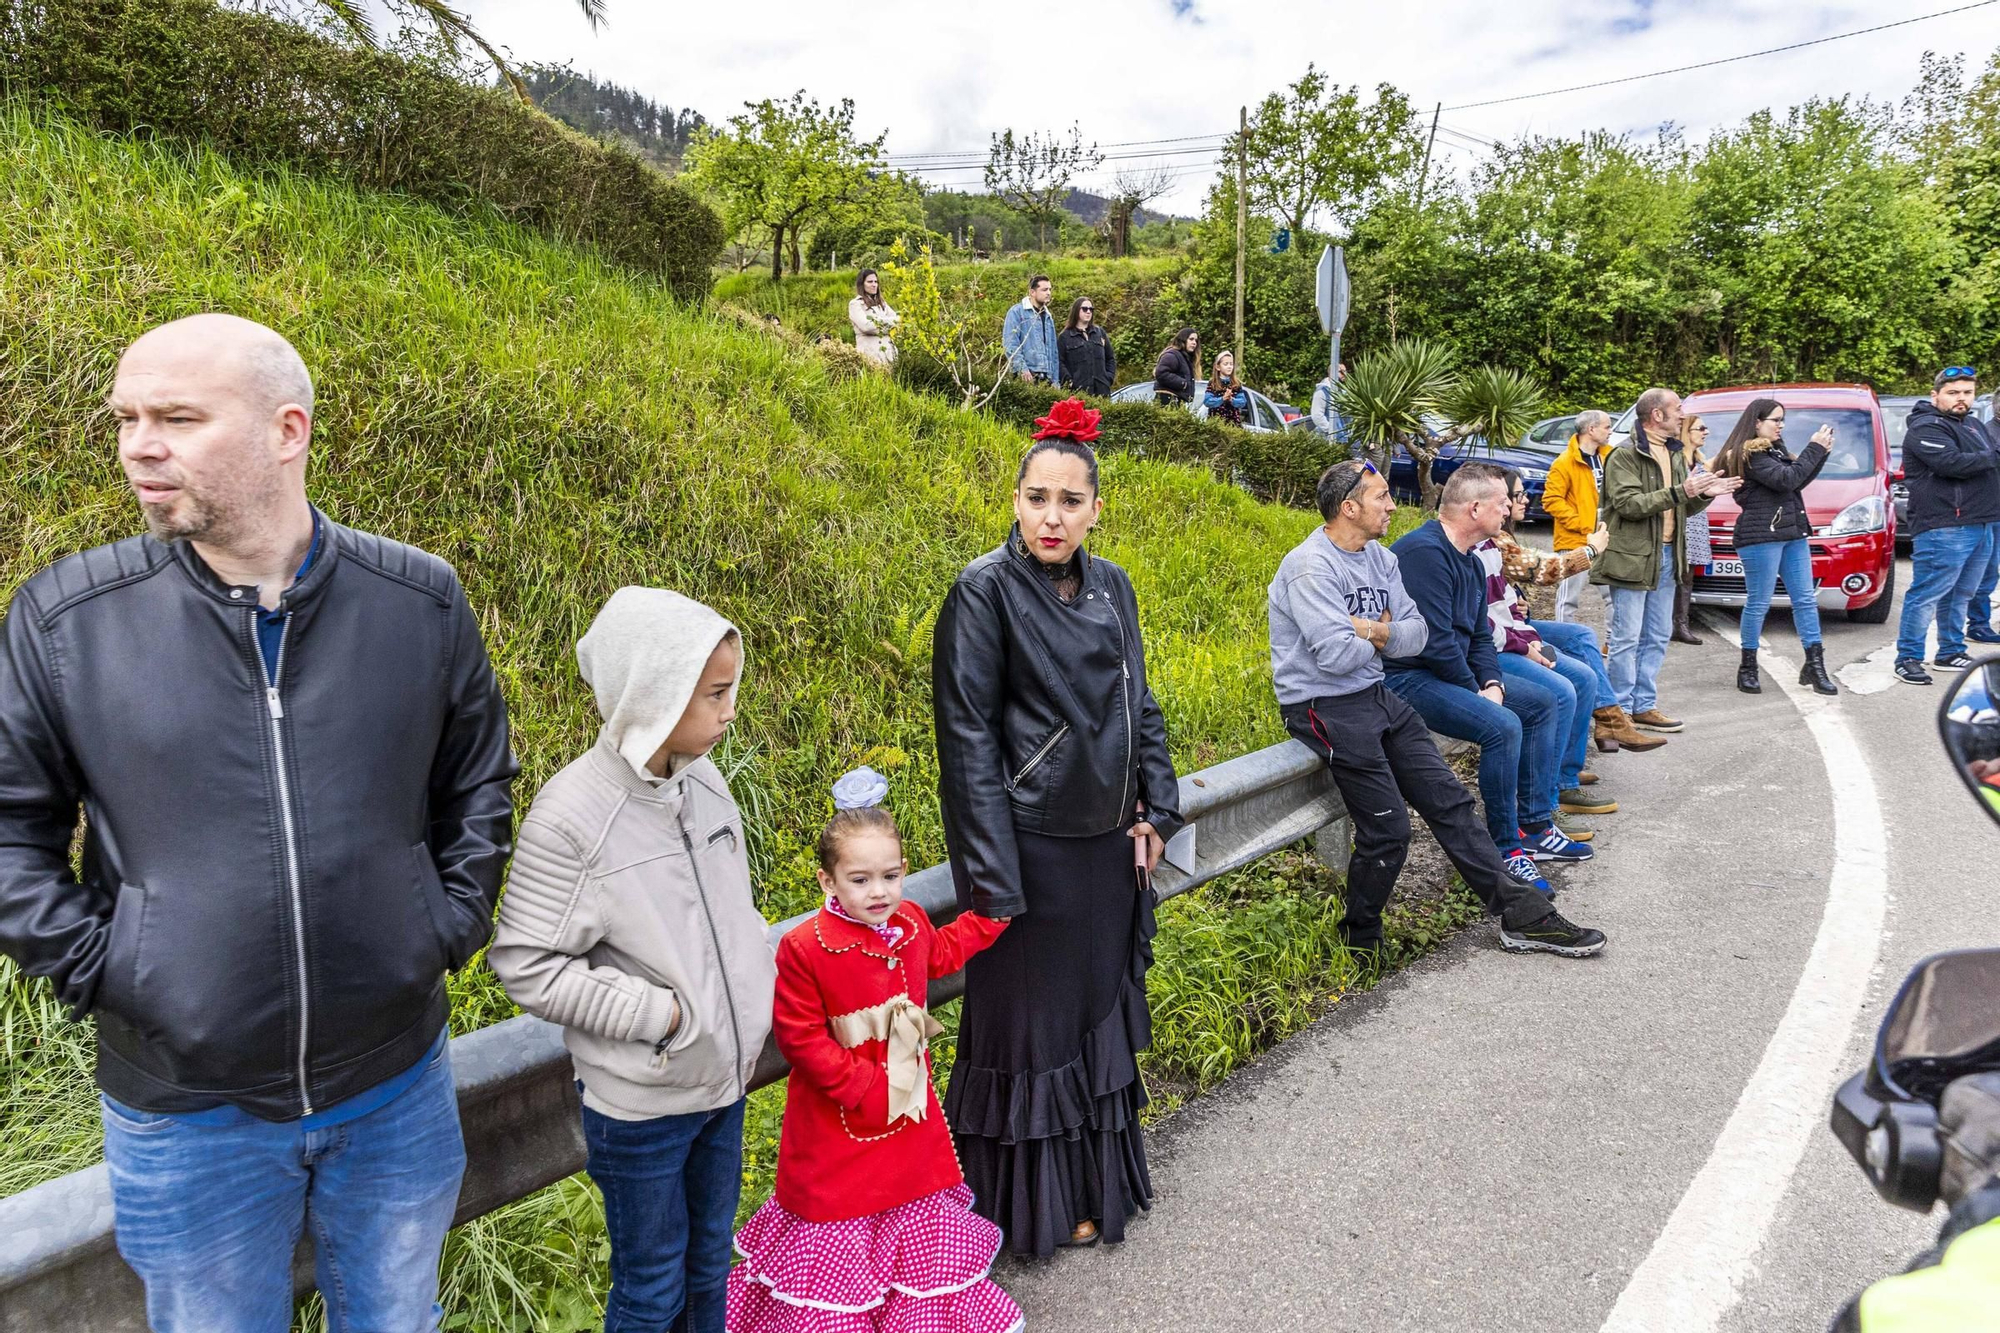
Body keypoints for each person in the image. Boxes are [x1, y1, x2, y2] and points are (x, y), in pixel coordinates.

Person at [0, 314, 517, 1332]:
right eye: (127, 417)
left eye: (178, 416)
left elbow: (478, 784)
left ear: (289, 430)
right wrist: (121, 971)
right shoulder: (67, 623)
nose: (139, 444)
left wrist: (443, 925)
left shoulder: (417, 600)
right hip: (188, 1115)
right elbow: (10, 831)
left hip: (395, 1088)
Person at [931, 402, 1184, 1257]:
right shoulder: (983, 590)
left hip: (1107, 848)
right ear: (1014, 499)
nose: (1052, 516)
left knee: (1091, 1023)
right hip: (1027, 855)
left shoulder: (1114, 586)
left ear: (1095, 509)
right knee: (1030, 1035)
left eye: (1070, 501)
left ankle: (1092, 1184)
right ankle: (1026, 1206)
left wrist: (1156, 808)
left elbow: (1138, 703)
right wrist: (993, 884)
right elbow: (965, 741)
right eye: (1037, 497)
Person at [489, 588, 777, 1333]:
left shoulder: (705, 783)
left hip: (723, 1083)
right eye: (715, 693)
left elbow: (730, 916)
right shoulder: (572, 816)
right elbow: (525, 961)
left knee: (711, 1263)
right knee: (651, 1288)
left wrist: (750, 987)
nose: (730, 710)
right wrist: (664, 1016)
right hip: (644, 1106)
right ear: (657, 691)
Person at [1267, 458, 1606, 958]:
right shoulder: (1310, 568)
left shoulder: (1381, 558)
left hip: (1375, 694)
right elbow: (1334, 656)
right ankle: (1360, 941)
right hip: (1324, 705)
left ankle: (1524, 917)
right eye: (1381, 496)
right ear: (1349, 507)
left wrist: (1367, 629)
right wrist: (1380, 632)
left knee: (1451, 805)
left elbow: (1416, 635)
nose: (1391, 503)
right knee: (1389, 830)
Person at [727, 769, 1021, 1333]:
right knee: (843, 1217)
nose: (878, 892)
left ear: (905, 871)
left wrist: (987, 921)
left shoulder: (909, 921)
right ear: (827, 881)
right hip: (840, 1117)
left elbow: (939, 954)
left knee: (910, 1210)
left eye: (890, 876)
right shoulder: (804, 947)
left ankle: (910, 1319)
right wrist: (863, 1088)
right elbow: (799, 1036)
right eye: (859, 880)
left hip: (908, 1103)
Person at [1383, 464, 1594, 868]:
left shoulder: (1473, 559)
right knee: (1504, 726)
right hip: (1409, 676)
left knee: (1544, 702)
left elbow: (1480, 635)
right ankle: (1505, 849)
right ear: (1475, 509)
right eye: (1502, 503)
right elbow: (1436, 642)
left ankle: (1534, 827)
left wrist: (1493, 681)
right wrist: (1475, 689)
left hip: (1447, 668)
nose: (1510, 509)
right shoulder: (1423, 553)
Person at [1479, 469, 1626, 821]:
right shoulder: (1487, 540)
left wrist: (1517, 605)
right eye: (1514, 496)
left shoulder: (1496, 536)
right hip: (1499, 639)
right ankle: (1549, 793)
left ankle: (1573, 761)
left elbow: (1502, 597)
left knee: (1581, 639)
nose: (1523, 500)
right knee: (1569, 682)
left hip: (1511, 628)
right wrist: (1590, 548)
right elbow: (1544, 569)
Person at [1591, 387, 1740, 732]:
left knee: (1657, 634)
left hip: (1669, 555)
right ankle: (1619, 713)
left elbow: (1681, 506)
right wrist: (1682, 491)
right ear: (1656, 415)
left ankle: (1643, 705)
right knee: (1627, 637)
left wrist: (1703, 494)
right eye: (1677, 408)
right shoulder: (1624, 455)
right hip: (1632, 557)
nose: (1683, 415)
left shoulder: (1674, 454)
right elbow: (1628, 505)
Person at [1710, 398, 1839, 697]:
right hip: (1761, 536)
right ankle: (1748, 668)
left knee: (1805, 600)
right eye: (1775, 420)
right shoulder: (1749, 454)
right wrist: (1814, 448)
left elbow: (1797, 481)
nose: (1781, 425)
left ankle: (1815, 666)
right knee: (1759, 602)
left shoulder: (1774, 450)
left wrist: (1820, 455)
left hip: (1791, 532)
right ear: (1757, 422)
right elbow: (1786, 479)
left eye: (1782, 420)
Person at [1895, 367, 2000, 685]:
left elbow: (1985, 461)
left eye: (1967, 392)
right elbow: (1952, 463)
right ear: (1935, 395)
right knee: (1927, 593)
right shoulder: (1925, 428)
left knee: (1961, 594)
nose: (1961, 399)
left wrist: (1988, 455)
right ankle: (1908, 658)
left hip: (1981, 522)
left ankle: (1950, 651)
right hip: (1944, 525)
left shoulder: (1974, 425)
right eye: (1954, 392)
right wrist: (1992, 454)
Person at [1543, 409, 1612, 624]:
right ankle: (1563, 648)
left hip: (1604, 539)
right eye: (1607, 427)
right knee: (1568, 599)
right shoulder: (1564, 462)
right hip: (1574, 542)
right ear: (1591, 429)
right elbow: (1551, 500)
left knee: (1614, 597)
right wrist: (1582, 525)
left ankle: (1611, 645)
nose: (1611, 431)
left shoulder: (1610, 456)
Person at [1672, 414, 1715, 646]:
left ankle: (1681, 623)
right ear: (1687, 433)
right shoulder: (1674, 460)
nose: (1706, 432)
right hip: (1679, 522)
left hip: (1696, 522)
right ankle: (1668, 623)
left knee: (1687, 577)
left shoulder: (1700, 462)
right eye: (1701, 428)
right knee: (1671, 574)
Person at [1001, 274, 1059, 384]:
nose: (1048, 293)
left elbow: (1054, 351)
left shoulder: (1048, 317)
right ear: (1032, 292)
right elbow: (1010, 344)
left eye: (1050, 290)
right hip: (1026, 376)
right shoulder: (1017, 312)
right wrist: (1021, 368)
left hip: (1047, 378)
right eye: (1044, 290)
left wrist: (1055, 380)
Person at [1057, 294, 1116, 395]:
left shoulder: (1100, 333)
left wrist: (1108, 378)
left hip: (1102, 391)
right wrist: (1069, 382)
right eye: (1084, 309)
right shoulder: (1065, 336)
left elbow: (1110, 358)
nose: (1088, 311)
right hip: (1078, 392)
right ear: (1076, 311)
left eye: (1091, 309)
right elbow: (1059, 362)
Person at [848, 267, 899, 365]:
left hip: (889, 355)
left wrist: (878, 322)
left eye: (876, 281)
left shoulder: (882, 303)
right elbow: (866, 327)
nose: (874, 285)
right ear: (862, 284)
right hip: (869, 355)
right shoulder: (855, 304)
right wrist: (889, 324)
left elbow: (899, 321)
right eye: (870, 282)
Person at [1152, 327, 1200, 406]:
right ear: (1183, 340)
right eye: (1191, 339)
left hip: (1175, 399)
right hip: (1167, 399)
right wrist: (1182, 383)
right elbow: (1161, 373)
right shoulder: (1172, 355)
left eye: (1196, 340)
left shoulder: (1183, 357)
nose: (1194, 343)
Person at [1202, 349, 1250, 426]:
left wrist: (1231, 399)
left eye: (1231, 364)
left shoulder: (1236, 384)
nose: (1229, 367)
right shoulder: (1213, 383)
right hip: (1215, 423)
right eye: (1226, 364)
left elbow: (1242, 402)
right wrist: (1222, 399)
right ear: (1218, 367)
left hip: (1233, 424)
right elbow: (1207, 401)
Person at [1309, 362, 1350, 445]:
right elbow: (1317, 416)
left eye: (1345, 372)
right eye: (1341, 372)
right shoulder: (1322, 391)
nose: (1344, 375)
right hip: (1326, 440)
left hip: (1342, 438)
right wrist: (1331, 430)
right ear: (1332, 373)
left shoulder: (1342, 392)